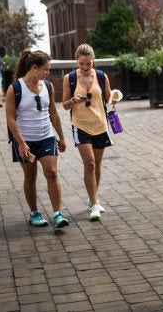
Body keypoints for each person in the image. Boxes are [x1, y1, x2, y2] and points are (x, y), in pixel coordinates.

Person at [5, 49, 69, 229]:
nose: (48, 72)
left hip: (46, 137)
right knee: (30, 177)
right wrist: (21, 143)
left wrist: (61, 137)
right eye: (46, 69)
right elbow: (10, 117)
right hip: (26, 141)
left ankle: (57, 213)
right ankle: (34, 212)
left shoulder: (48, 86)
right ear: (34, 68)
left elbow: (53, 113)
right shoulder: (15, 88)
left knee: (52, 172)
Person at [62, 44, 114, 221]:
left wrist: (115, 98)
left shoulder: (101, 76)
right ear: (77, 62)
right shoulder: (69, 78)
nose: (85, 68)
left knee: (97, 164)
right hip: (80, 125)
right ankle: (94, 203)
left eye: (88, 64)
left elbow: (108, 98)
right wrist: (73, 100)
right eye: (81, 64)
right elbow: (64, 105)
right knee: (90, 163)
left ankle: (93, 198)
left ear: (93, 61)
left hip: (100, 124)